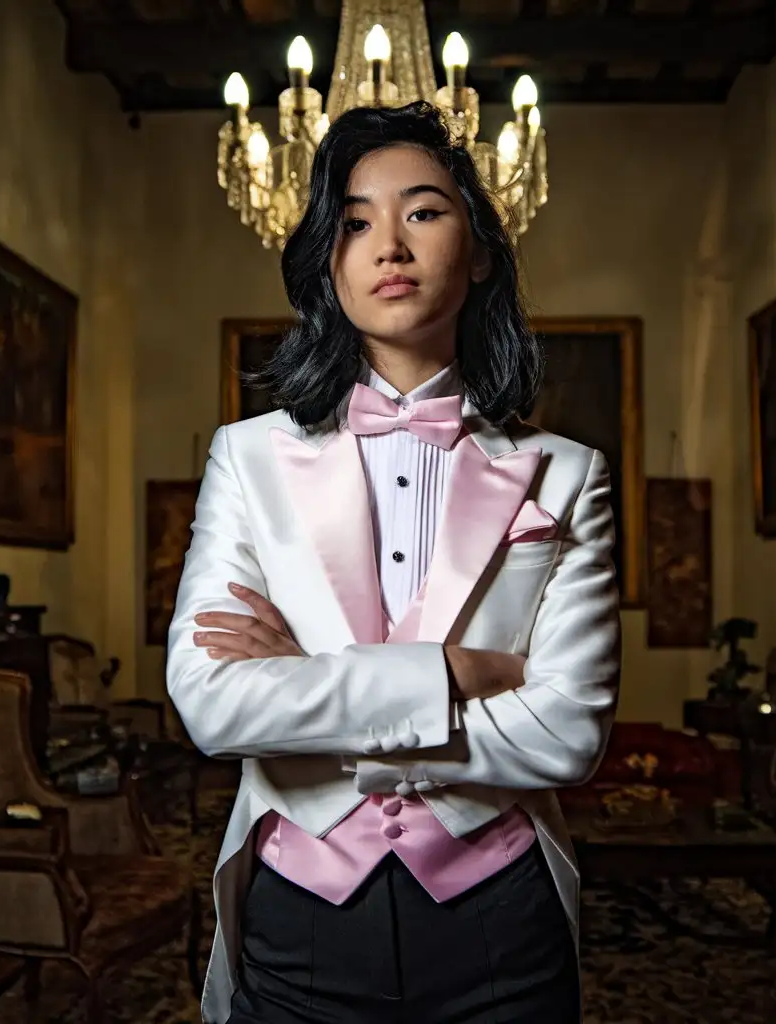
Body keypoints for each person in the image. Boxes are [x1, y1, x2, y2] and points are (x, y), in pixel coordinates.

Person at [167, 101, 621, 1024]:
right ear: (327, 263)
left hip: (502, 924)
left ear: (481, 249)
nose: (390, 245)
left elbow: (568, 734)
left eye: (423, 210)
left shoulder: (570, 474)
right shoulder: (246, 458)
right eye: (355, 221)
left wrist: (306, 694)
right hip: (297, 918)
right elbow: (211, 703)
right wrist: (445, 678)